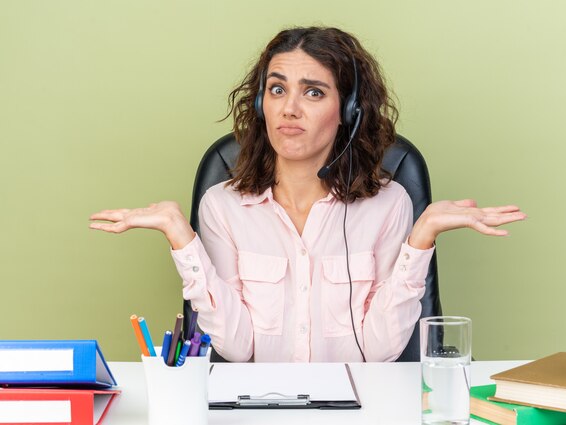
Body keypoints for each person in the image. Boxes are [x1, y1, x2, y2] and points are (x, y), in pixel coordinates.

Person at [90, 27, 525, 362]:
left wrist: (422, 235)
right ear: (261, 105)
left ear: (349, 112)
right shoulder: (222, 205)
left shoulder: (390, 204)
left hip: (361, 409)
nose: (289, 108)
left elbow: (380, 351)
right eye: (277, 89)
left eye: (313, 92)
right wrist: (181, 238)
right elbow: (238, 349)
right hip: (256, 410)